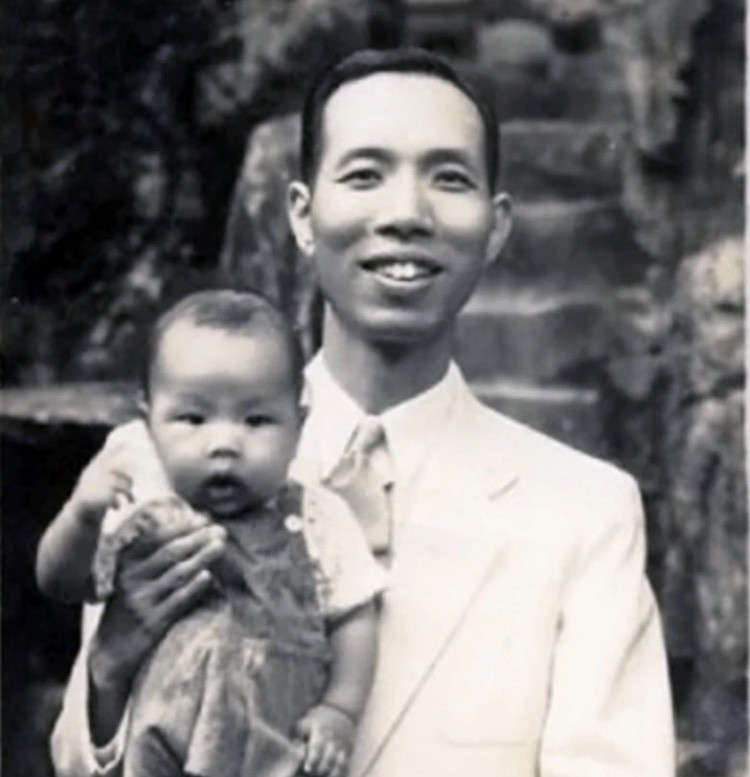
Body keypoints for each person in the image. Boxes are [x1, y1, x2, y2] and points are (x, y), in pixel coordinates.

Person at [50, 48, 675, 777]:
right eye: (364, 175)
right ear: (302, 215)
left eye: (449, 178)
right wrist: (110, 667)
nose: (406, 214)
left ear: (495, 227)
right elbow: (79, 760)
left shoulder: (586, 511)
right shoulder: (165, 460)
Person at [40, 290, 385, 777]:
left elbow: (354, 615)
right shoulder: (138, 504)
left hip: (272, 754)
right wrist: (81, 517)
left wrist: (340, 710)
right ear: (149, 424)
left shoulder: (318, 518)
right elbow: (60, 583)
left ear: (298, 425)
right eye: (192, 419)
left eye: (256, 420)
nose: (224, 443)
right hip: (157, 750)